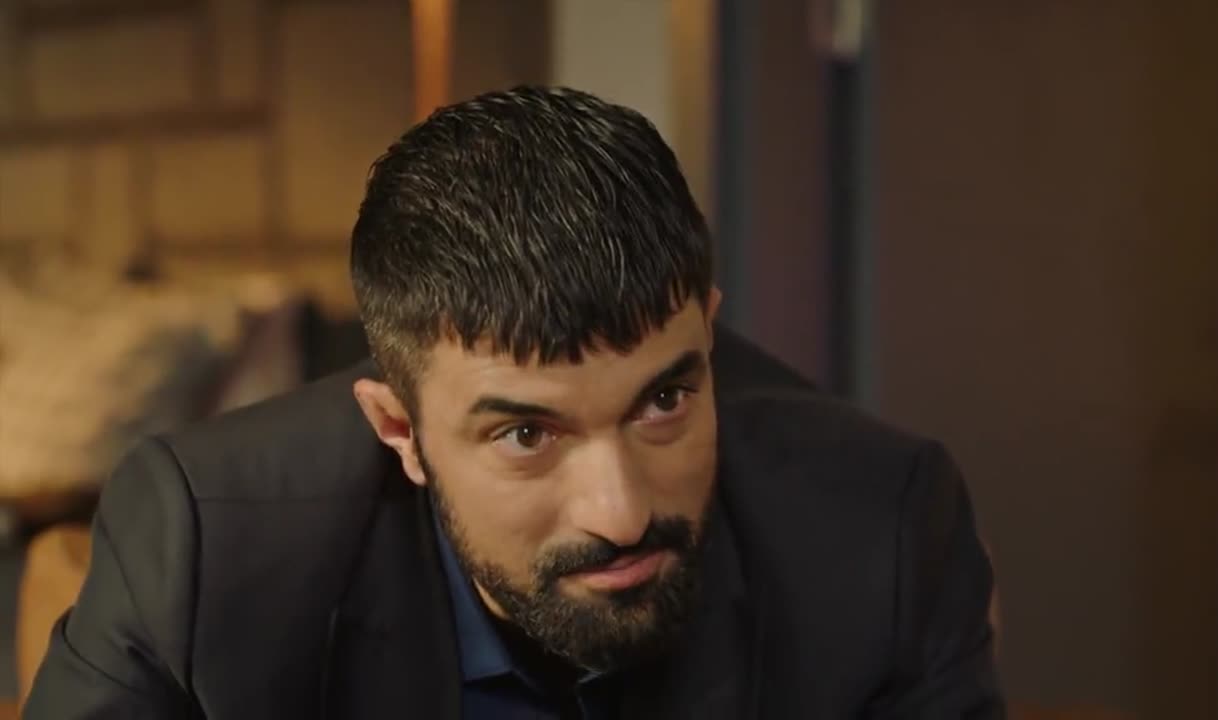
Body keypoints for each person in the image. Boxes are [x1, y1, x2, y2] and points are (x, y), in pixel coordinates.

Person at [25, 86, 1002, 719]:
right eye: (527, 433)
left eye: (664, 399)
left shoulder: (878, 526)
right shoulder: (208, 544)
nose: (621, 512)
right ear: (399, 430)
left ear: (707, 333)